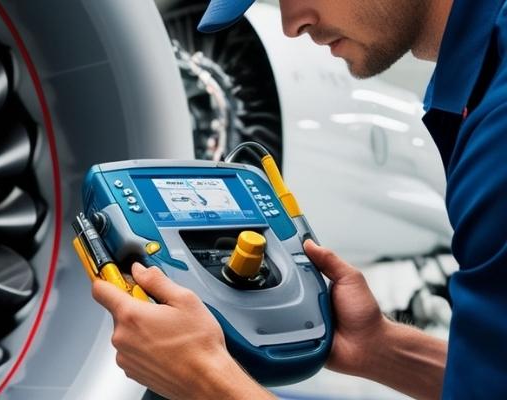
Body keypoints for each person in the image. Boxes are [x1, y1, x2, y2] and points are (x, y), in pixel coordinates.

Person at [92, 0, 507, 398]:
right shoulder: (486, 87)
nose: (291, 24)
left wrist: (204, 380)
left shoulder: (498, 136)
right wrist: (378, 348)